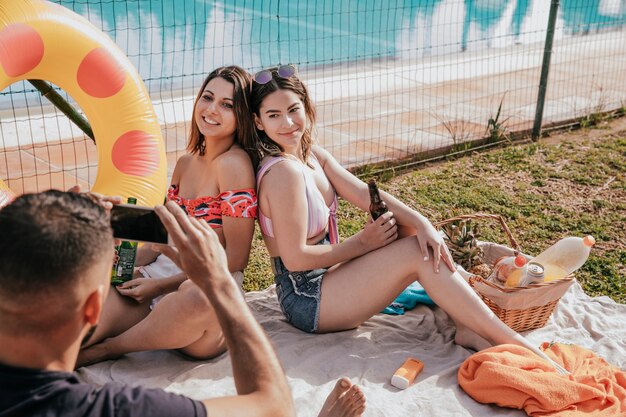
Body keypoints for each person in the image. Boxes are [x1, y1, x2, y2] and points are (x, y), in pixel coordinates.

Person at [243, 65, 566, 368]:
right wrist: (363, 244)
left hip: (327, 283)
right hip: (305, 299)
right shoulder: (282, 173)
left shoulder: (313, 156)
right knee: (415, 252)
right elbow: (297, 259)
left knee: (411, 231)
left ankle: (469, 327)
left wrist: (423, 223)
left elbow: (368, 197)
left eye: (293, 109)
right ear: (259, 122)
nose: (287, 123)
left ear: (306, 107)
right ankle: (509, 341)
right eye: (274, 115)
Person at [0, 190, 294, 417]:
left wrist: (50, 222)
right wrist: (220, 284)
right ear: (92, 309)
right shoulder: (113, 409)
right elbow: (272, 406)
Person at [77, 66, 259, 366]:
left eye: (227, 105)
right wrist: (124, 265)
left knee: (197, 296)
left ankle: (110, 349)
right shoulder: (186, 162)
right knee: (78, 320)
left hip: (202, 292)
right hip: (151, 287)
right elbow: (160, 238)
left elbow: (235, 260)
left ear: (241, 115)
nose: (212, 110)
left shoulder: (234, 165)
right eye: (208, 98)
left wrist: (163, 286)